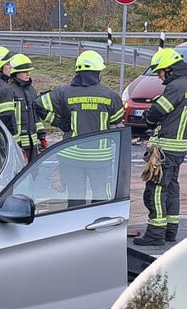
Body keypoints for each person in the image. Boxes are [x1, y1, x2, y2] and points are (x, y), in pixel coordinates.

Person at [39, 50, 124, 205]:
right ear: (97, 73)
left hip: (71, 158)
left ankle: (77, 228)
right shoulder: (110, 95)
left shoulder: (64, 92)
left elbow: (38, 104)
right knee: (101, 199)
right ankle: (99, 227)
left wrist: (58, 121)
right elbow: (117, 119)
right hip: (100, 158)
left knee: (75, 199)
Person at [134, 48, 187, 246]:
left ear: (170, 69)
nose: (159, 76)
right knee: (171, 189)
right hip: (177, 148)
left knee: (156, 190)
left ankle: (155, 234)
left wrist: (146, 117)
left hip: (165, 149)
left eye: (160, 71)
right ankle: (170, 231)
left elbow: (156, 112)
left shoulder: (176, 87)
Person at [5, 53, 47, 161]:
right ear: (15, 73)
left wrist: (41, 135)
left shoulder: (31, 90)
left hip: (32, 143)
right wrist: (15, 143)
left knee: (34, 173)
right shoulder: (9, 91)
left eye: (29, 71)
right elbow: (9, 119)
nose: (28, 74)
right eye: (24, 71)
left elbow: (35, 115)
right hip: (19, 144)